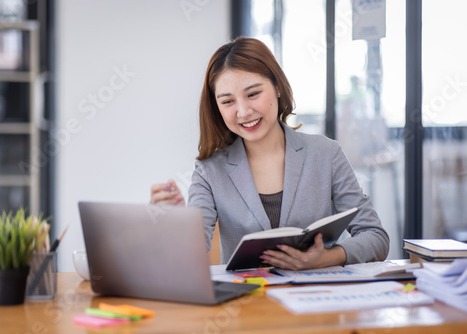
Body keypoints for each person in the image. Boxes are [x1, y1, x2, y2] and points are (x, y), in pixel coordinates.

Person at [150, 37, 389, 270]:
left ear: (277, 87)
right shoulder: (209, 171)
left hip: (315, 302)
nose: (243, 112)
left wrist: (326, 258)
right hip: (248, 305)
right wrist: (174, 221)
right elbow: (188, 257)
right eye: (228, 101)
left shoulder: (326, 154)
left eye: (253, 94)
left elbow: (375, 237)